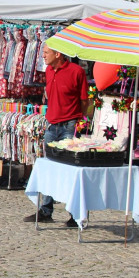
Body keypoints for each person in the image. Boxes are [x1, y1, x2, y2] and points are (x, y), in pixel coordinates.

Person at [25, 43, 89, 228]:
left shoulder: (77, 72)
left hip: (70, 125)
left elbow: (84, 100)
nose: (43, 56)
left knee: (69, 170)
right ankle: (46, 210)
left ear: (58, 53)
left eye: (46, 52)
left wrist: (80, 120)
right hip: (52, 125)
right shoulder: (49, 71)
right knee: (49, 167)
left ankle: (74, 214)